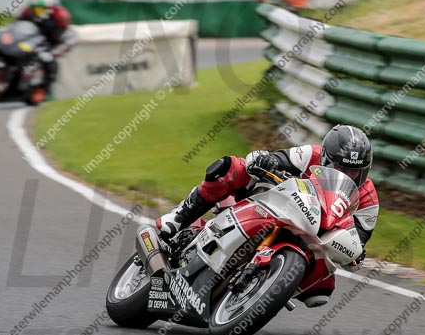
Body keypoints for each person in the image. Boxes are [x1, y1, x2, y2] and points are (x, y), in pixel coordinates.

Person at [156, 124, 379, 308]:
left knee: (321, 291)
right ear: (327, 160)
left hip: (314, 240)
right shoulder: (310, 154)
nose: (348, 175)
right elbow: (278, 159)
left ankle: (267, 285)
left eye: (354, 172)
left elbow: (357, 238)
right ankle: (180, 217)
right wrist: (265, 160)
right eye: (341, 168)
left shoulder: (368, 198)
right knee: (232, 168)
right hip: (279, 205)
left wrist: (355, 253)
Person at [18, 0, 77, 93]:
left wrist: (51, 52)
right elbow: (17, 25)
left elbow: (65, 39)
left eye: (39, 9)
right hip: (35, 37)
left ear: (48, 9)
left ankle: (45, 88)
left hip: (55, 41)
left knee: (48, 59)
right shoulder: (27, 11)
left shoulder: (60, 17)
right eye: (33, 8)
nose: (34, 12)